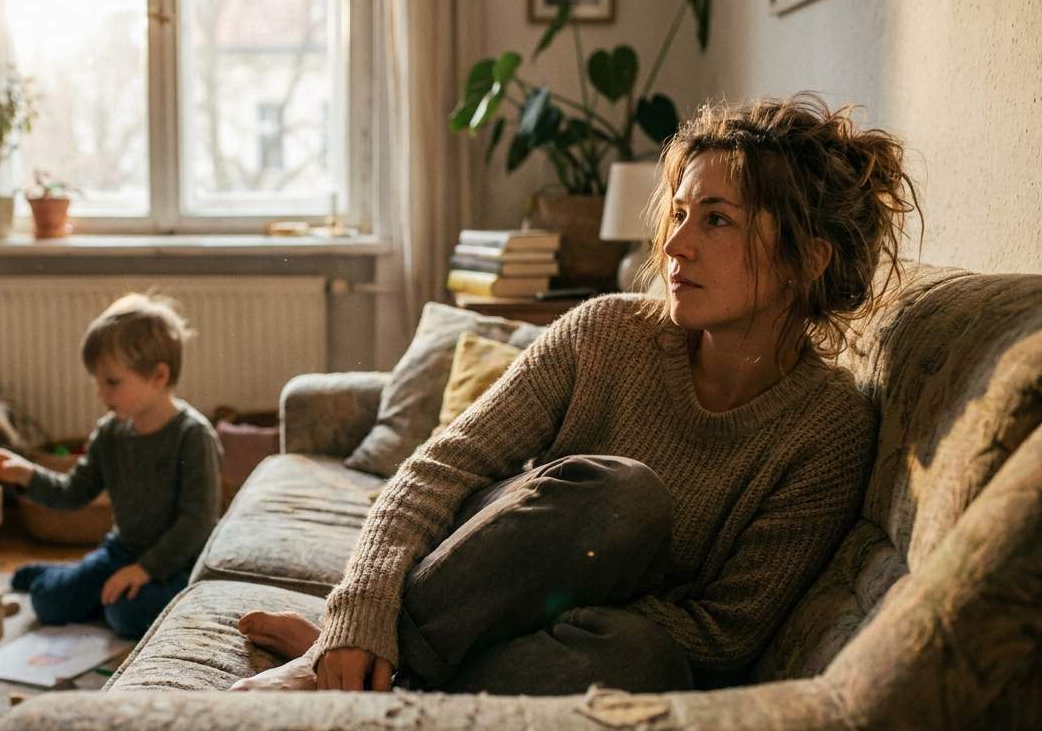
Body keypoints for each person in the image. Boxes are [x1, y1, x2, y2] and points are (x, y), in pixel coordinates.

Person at [232, 93, 921, 695]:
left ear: (807, 260)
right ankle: (344, 660)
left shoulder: (829, 430)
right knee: (624, 497)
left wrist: (563, 620)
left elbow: (725, 635)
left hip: (566, 640)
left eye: (716, 219)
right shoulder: (607, 330)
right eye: (678, 213)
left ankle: (370, 674)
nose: (674, 245)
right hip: (493, 568)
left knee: (646, 657)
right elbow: (442, 467)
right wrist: (360, 611)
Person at [0, 293, 221, 639]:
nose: (101, 393)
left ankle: (98, 589)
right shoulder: (111, 432)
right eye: (98, 380)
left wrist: (144, 570)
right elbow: (73, 492)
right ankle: (62, 578)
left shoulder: (193, 436)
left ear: (159, 376)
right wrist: (24, 473)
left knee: (127, 615)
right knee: (49, 603)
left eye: (112, 382)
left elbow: (197, 523)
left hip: (180, 562)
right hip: (122, 550)